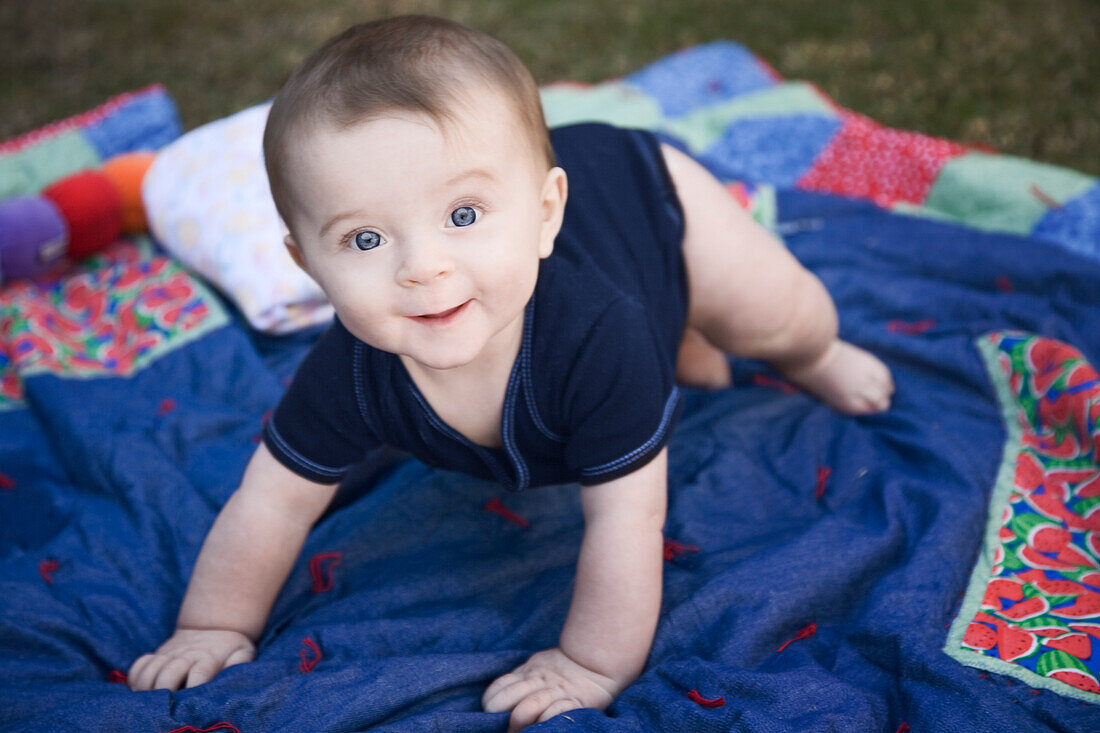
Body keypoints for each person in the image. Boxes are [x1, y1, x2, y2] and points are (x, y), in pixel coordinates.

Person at [127, 14, 894, 731]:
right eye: (364, 239)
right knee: (690, 351)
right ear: (306, 263)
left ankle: (808, 350)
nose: (423, 267)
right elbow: (271, 505)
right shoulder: (349, 370)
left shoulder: (600, 337)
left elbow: (628, 519)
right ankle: (687, 339)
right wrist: (212, 623)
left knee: (777, 314)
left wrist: (589, 664)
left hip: (648, 199)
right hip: (608, 271)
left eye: (463, 216)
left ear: (544, 213)